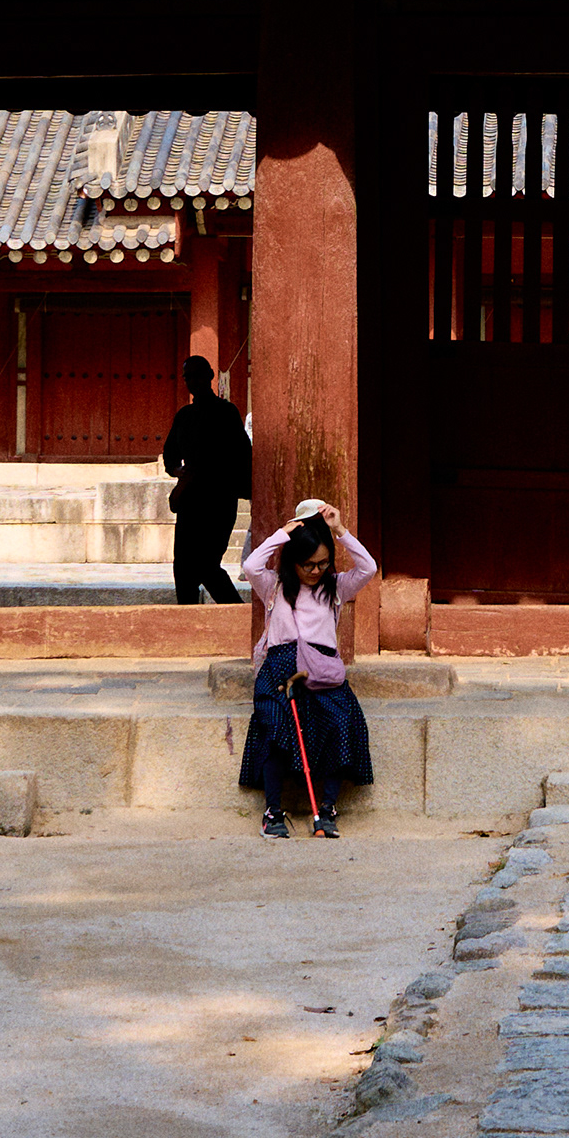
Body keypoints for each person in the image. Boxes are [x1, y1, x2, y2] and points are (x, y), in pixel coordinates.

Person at [240, 500, 379, 838]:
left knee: (340, 725)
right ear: (293, 561)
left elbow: (368, 568)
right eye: (308, 565)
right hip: (280, 673)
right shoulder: (273, 586)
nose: (316, 571)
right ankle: (273, 812)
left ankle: (327, 808)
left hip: (322, 674)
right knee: (275, 730)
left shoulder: (336, 588)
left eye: (323, 563)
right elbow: (251, 565)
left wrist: (339, 530)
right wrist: (282, 534)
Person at [161, 353, 250, 605]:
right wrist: (179, 472)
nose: (193, 382)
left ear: (210, 376)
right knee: (183, 568)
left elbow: (243, 455)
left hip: (219, 501)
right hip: (190, 501)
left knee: (206, 565)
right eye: (188, 377)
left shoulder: (227, 412)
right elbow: (170, 456)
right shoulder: (184, 416)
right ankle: (189, 618)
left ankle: (237, 615)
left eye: (197, 375)